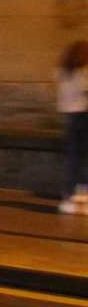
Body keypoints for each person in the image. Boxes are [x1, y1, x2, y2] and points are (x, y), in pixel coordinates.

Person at [56, 39, 88, 214]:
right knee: (83, 158)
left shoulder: (62, 72)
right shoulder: (83, 72)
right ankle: (83, 195)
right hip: (83, 116)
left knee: (72, 159)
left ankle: (69, 198)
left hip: (68, 117)